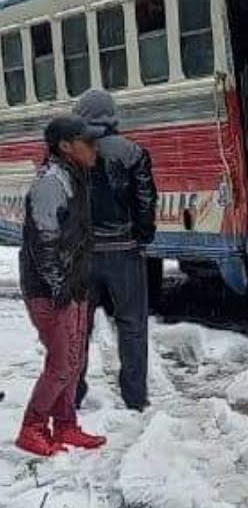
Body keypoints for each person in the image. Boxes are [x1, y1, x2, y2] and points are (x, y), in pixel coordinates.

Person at [17, 116, 105, 457]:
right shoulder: (51, 183)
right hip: (51, 289)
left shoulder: (74, 176)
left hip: (74, 284)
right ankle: (32, 426)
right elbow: (44, 241)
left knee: (74, 357)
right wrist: (58, 287)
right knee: (62, 363)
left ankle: (65, 424)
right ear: (65, 146)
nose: (95, 147)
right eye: (88, 141)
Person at [72, 88, 157, 411]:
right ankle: (134, 398)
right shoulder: (133, 152)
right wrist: (141, 236)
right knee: (132, 326)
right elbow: (145, 202)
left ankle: (72, 395)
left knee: (77, 328)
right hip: (124, 252)